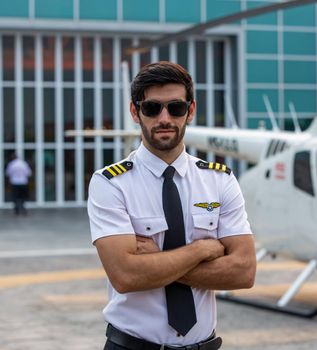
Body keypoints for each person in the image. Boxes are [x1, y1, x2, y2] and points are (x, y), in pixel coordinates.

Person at [88, 61, 256, 350]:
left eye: (175, 108)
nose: (164, 118)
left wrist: (157, 260)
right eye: (152, 108)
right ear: (135, 111)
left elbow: (243, 272)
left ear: (190, 111)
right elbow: (126, 276)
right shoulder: (111, 183)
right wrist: (201, 250)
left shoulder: (220, 180)